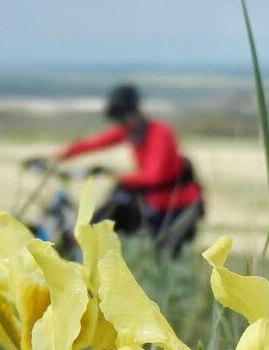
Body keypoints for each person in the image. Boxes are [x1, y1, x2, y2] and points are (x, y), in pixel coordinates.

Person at [55, 84, 204, 259]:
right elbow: (93, 143)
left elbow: (153, 176)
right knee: (117, 205)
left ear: (134, 112)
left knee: (166, 257)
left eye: (123, 118)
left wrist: (117, 176)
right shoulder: (130, 132)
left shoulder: (160, 133)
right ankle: (83, 244)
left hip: (181, 207)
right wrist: (57, 157)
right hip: (156, 205)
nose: (122, 124)